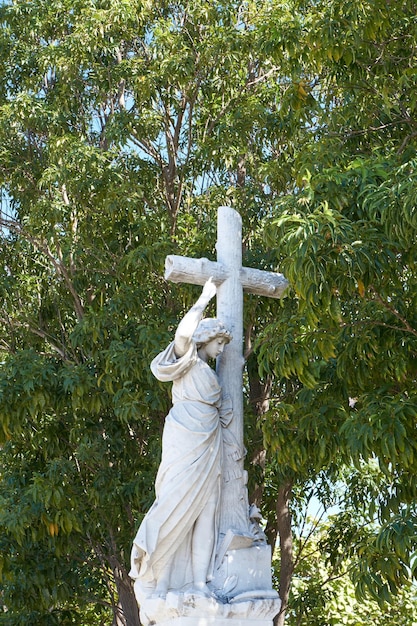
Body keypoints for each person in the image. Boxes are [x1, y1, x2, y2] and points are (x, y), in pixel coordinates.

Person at [130, 278, 232, 600]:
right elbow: (182, 335)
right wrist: (204, 298)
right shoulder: (186, 358)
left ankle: (200, 584)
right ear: (207, 338)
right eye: (220, 342)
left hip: (209, 440)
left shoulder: (208, 369)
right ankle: (160, 580)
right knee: (176, 506)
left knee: (207, 509)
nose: (222, 349)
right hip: (185, 436)